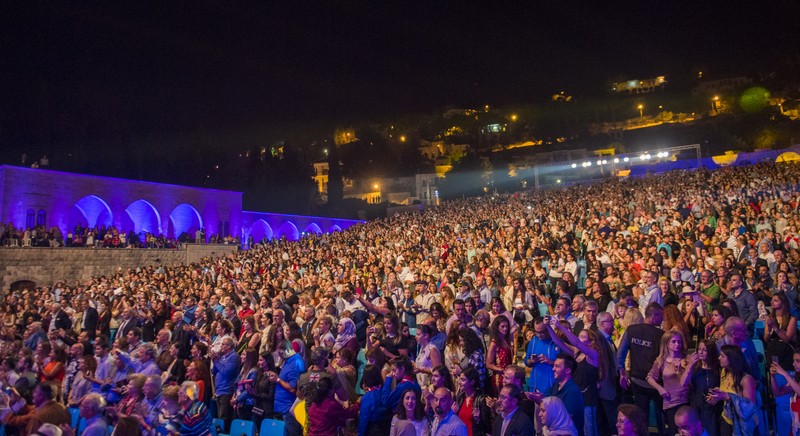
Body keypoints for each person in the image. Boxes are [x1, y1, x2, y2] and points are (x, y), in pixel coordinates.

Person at [616, 302, 664, 434]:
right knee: (661, 416)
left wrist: (622, 374)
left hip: (636, 380)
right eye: (661, 316)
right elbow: (663, 359)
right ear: (654, 316)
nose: (662, 319)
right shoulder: (660, 334)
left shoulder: (631, 330)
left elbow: (620, 354)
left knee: (641, 418)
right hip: (655, 382)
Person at [705, 345, 758, 435]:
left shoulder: (746, 380)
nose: (719, 358)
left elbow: (749, 408)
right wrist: (717, 395)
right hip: (726, 420)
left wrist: (727, 396)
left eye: (722, 356)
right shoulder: (724, 372)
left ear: (731, 358)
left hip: (741, 426)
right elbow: (725, 389)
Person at [689, 340, 721, 436]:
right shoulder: (694, 368)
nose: (700, 352)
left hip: (713, 410)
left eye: (704, 350)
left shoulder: (718, 369)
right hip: (697, 407)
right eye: (699, 349)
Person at [359, 364, 391, 436]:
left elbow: (364, 419)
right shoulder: (386, 391)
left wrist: (360, 434)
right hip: (387, 427)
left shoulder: (367, 397)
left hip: (373, 430)